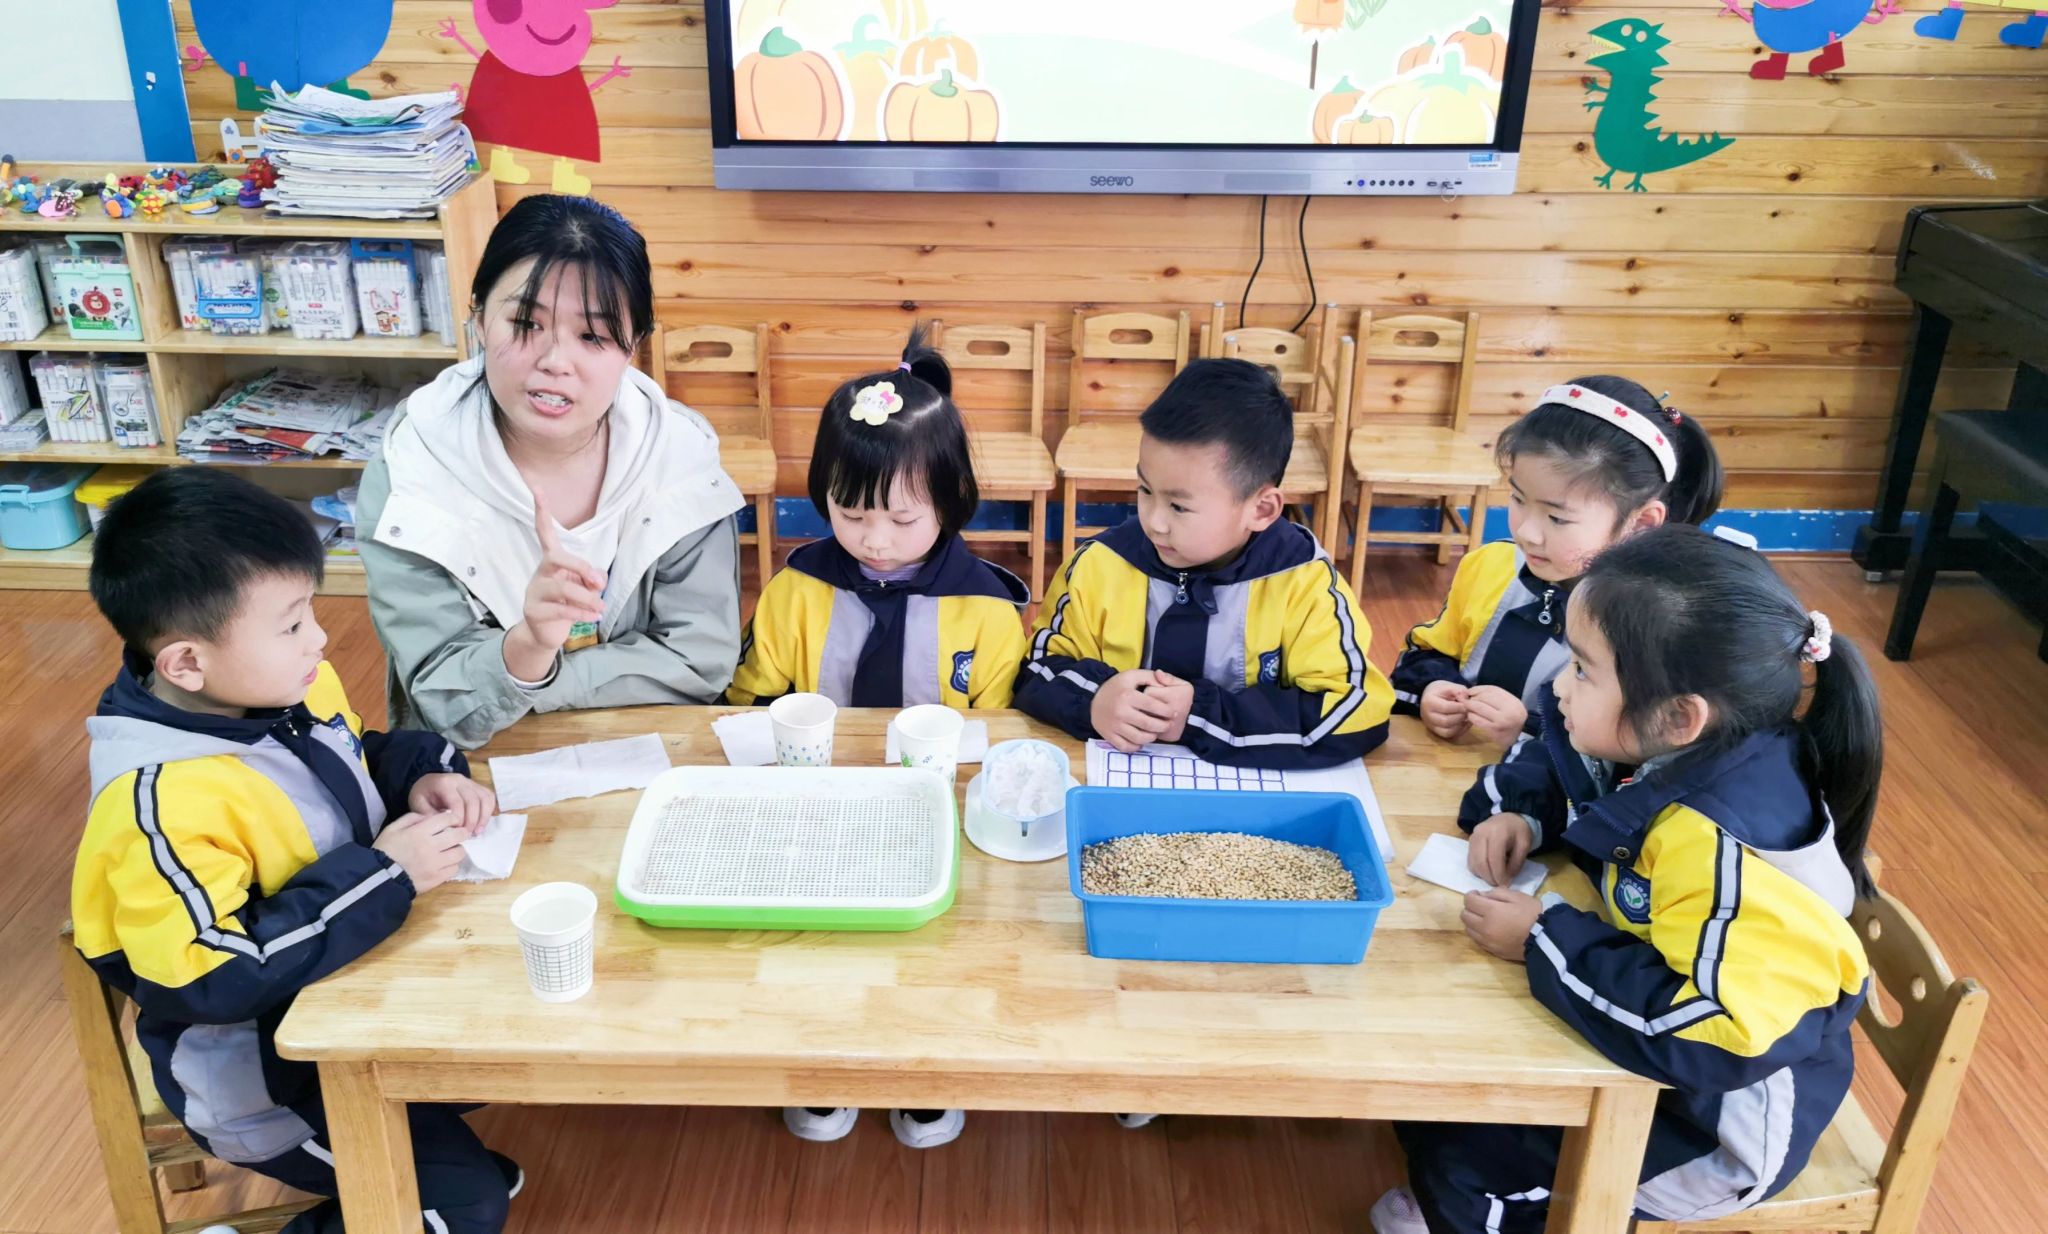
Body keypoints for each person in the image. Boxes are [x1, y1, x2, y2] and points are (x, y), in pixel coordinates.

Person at [1372, 524, 1877, 1234]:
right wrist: (1527, 816)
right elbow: (1573, 768)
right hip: (1668, 1043)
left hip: (1716, 1128)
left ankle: (1490, 1207)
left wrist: (1545, 940)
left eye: (1582, 670)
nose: (1557, 686)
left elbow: (1720, 1036)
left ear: (1678, 716)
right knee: (1431, 1093)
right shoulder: (1687, 746)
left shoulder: (1719, 844)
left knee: (1462, 1156)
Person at [72, 468, 517, 1234]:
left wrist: (423, 775)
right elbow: (212, 978)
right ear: (186, 663)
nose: (319, 638)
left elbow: (354, 755)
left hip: (346, 995)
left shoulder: (279, 688)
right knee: (463, 1205)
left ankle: (434, 1173)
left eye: (309, 609)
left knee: (508, 1044)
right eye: (289, 625)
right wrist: (387, 875)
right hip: (265, 1081)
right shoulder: (158, 803)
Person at [358, 194, 743, 750]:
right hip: (471, 767)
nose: (555, 361)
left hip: (641, 749)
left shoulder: (678, 459)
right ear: (478, 319)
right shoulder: (412, 473)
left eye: (592, 336)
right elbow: (442, 699)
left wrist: (533, 674)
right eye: (524, 323)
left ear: (633, 346)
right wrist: (529, 645)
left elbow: (697, 660)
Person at [1015, 358, 1393, 768]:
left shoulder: (1304, 582)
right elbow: (1036, 669)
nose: (1154, 522)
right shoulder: (1098, 566)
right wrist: (1093, 700)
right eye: (1145, 489)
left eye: (1179, 506)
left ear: (1262, 509)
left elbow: (1356, 711)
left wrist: (1199, 716)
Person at [1392, 377, 1722, 750]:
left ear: (1641, 522)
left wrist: (1528, 729)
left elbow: (1629, 754)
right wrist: (1431, 689)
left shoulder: (1647, 624)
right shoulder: (1491, 564)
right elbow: (1429, 651)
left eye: (1557, 518)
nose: (1527, 533)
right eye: (1518, 499)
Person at [725, 324, 1028, 710]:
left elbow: (1001, 727)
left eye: (903, 520)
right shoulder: (795, 592)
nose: (875, 542)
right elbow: (749, 703)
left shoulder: (986, 607)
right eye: (851, 515)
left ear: (949, 500)